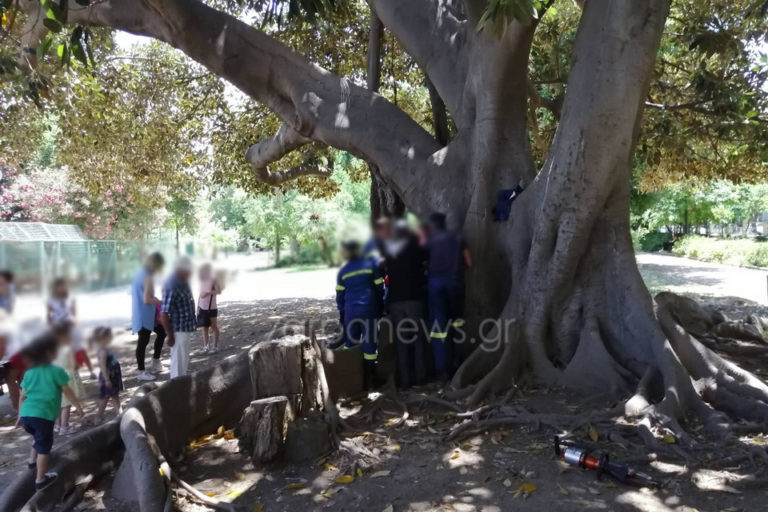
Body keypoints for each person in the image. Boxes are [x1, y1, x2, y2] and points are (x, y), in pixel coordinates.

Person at [15, 332, 84, 491]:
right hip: (43, 415)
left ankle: (32, 462)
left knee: (37, 438)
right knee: (45, 447)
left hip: (27, 415)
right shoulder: (56, 371)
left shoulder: (30, 372)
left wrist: (20, 415)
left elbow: (22, 395)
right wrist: (79, 408)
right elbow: (67, 391)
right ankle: (41, 479)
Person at [381, 220, 429, 389]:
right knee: (418, 339)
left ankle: (405, 380)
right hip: (415, 299)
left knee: (402, 341)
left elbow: (382, 270)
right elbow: (427, 261)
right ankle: (421, 377)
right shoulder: (416, 247)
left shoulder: (389, 250)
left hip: (395, 302)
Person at [425, 212, 472, 383]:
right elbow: (469, 262)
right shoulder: (458, 237)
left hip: (435, 286)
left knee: (439, 329)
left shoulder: (429, 241)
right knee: (457, 324)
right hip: (455, 284)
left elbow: (424, 262)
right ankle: (458, 362)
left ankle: (442, 369)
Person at [335, 240, 385, 390]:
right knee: (370, 344)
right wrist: (380, 306)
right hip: (368, 309)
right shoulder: (370, 266)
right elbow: (379, 288)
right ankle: (370, 381)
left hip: (350, 311)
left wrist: (342, 312)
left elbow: (340, 295)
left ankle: (353, 378)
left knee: (351, 344)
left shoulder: (343, 271)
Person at [47, 278, 95, 379]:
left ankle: (91, 370)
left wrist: (73, 323)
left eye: (63, 286)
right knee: (63, 350)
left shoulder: (70, 298)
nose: (62, 288)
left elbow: (74, 313)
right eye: (59, 286)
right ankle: (67, 373)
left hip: (71, 326)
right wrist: (51, 328)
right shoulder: (50, 300)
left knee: (80, 349)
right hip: (58, 328)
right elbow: (48, 316)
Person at [131, 252, 167, 381]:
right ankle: (141, 372)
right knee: (143, 341)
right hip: (144, 314)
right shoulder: (147, 276)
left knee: (162, 332)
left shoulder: (141, 273)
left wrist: (154, 299)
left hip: (145, 313)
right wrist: (160, 301)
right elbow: (146, 299)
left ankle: (156, 361)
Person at [160, 257, 197, 379]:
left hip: (185, 328)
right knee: (178, 365)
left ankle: (180, 386)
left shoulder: (184, 281)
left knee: (183, 362)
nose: (191, 272)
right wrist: (169, 335)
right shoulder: (172, 285)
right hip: (178, 331)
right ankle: (175, 390)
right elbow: (164, 313)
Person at [54, 324, 84, 435]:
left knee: (59, 403)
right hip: (68, 377)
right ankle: (64, 427)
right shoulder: (68, 348)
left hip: (56, 377)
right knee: (67, 403)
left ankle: (58, 425)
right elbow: (74, 363)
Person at [94, 327, 123, 422]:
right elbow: (102, 366)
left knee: (113, 396)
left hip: (112, 376)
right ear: (103, 338)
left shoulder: (105, 349)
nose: (111, 338)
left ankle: (119, 414)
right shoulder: (102, 351)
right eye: (109, 336)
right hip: (109, 377)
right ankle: (100, 416)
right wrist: (107, 380)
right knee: (106, 397)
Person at [197, 263, 222, 354]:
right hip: (202, 307)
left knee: (214, 326)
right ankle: (206, 346)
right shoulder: (201, 280)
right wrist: (198, 307)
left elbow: (219, 291)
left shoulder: (214, 279)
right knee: (204, 328)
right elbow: (200, 295)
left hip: (211, 307)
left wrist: (208, 293)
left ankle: (215, 347)